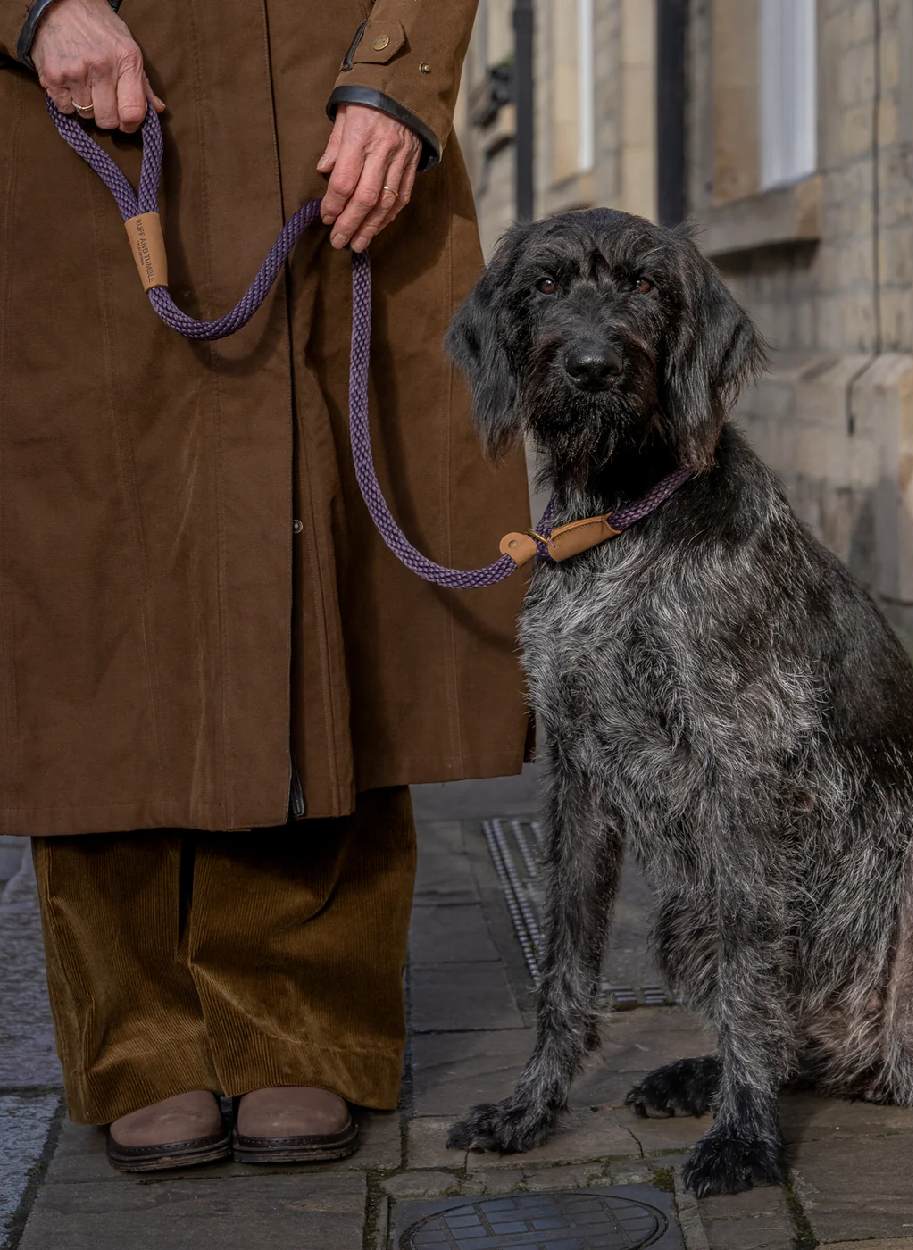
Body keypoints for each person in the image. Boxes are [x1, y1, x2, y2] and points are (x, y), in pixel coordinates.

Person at [0, 0, 527, 1171]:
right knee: (99, 587)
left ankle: (304, 1019)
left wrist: (403, 73)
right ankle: (140, 1036)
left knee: (329, 575)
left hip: (336, 121)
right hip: (88, 122)